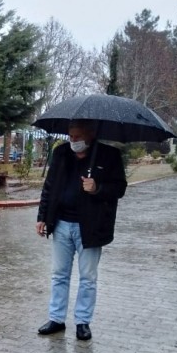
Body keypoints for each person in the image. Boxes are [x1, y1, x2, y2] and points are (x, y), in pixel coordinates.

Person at [36, 120, 127, 341]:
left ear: (91, 134)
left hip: (91, 226)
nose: (73, 141)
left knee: (87, 278)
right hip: (61, 224)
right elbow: (49, 187)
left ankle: (82, 322)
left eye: (77, 137)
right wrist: (42, 217)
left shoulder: (108, 155)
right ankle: (56, 319)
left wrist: (97, 188)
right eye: (71, 136)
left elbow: (119, 188)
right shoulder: (61, 153)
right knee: (59, 275)